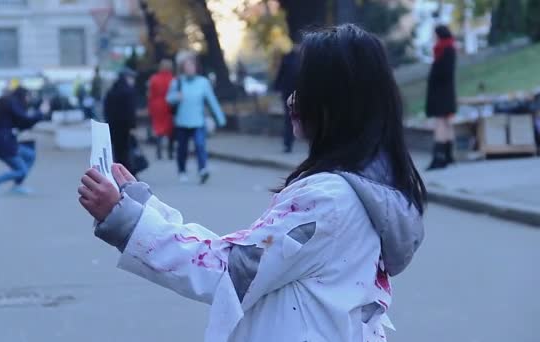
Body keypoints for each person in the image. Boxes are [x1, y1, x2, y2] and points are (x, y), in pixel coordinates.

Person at [77, 25, 426, 342]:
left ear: (335, 102)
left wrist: (126, 219)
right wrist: (140, 205)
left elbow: (227, 270)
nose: (291, 100)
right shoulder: (366, 189)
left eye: (303, 88)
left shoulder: (328, 200)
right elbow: (242, 260)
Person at [166, 51, 226, 184]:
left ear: (196, 67)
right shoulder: (177, 82)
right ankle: (182, 171)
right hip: (182, 121)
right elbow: (168, 99)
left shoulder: (203, 82)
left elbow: (212, 100)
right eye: (187, 66)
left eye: (191, 66)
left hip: (198, 121)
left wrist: (220, 119)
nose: (189, 69)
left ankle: (203, 169)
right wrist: (177, 97)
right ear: (183, 68)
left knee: (200, 145)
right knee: (182, 148)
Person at [0, 87, 47, 195]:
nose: (28, 100)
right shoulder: (12, 104)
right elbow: (25, 119)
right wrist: (41, 112)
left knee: (30, 155)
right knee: (21, 170)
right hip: (4, 143)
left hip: (5, 141)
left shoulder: (9, 104)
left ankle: (17, 185)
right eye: (27, 97)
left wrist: (38, 114)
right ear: (22, 96)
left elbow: (23, 123)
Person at [426, 25, 457, 170]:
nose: (433, 37)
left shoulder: (444, 49)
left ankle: (439, 158)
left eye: (434, 34)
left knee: (440, 124)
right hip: (446, 93)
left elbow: (442, 72)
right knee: (446, 123)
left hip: (441, 94)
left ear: (439, 35)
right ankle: (449, 156)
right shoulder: (447, 48)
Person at [104, 67, 138, 172]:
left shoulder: (112, 90)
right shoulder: (128, 91)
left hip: (113, 126)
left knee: (117, 151)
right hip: (125, 127)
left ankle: (118, 171)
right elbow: (130, 110)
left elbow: (106, 108)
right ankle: (127, 172)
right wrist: (133, 126)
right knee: (126, 151)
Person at [274, 43, 301, 153]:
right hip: (289, 92)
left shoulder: (305, 58)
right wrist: (277, 87)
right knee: (290, 118)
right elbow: (281, 74)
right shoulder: (288, 58)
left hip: (301, 92)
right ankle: (288, 143)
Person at [148, 59, 175, 160]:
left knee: (158, 129)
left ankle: (159, 151)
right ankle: (170, 152)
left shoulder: (154, 78)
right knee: (169, 129)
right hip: (168, 105)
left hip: (156, 106)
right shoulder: (173, 79)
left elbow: (150, 94)